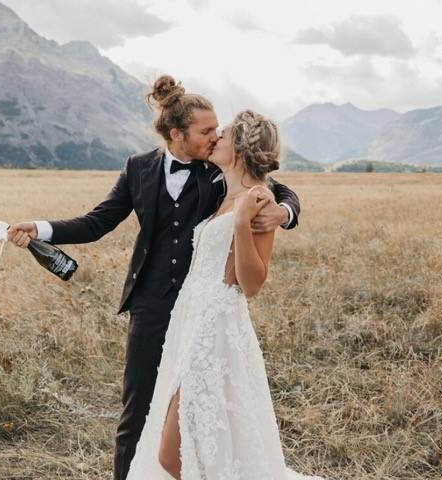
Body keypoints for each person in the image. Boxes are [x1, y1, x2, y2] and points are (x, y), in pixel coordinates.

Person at [7, 76, 302, 480]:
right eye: (205, 131)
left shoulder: (215, 170)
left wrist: (284, 213)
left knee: (199, 416)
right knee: (138, 411)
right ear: (176, 134)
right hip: (150, 307)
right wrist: (40, 228)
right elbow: (96, 222)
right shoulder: (138, 168)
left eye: (218, 130)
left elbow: (271, 184)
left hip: (204, 311)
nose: (214, 137)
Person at [124, 110, 323, 479]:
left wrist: (244, 222)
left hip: (214, 330)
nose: (215, 138)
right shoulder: (220, 191)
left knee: (173, 454)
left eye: (225, 134)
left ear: (243, 148)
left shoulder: (259, 201)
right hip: (188, 322)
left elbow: (252, 284)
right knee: (191, 444)